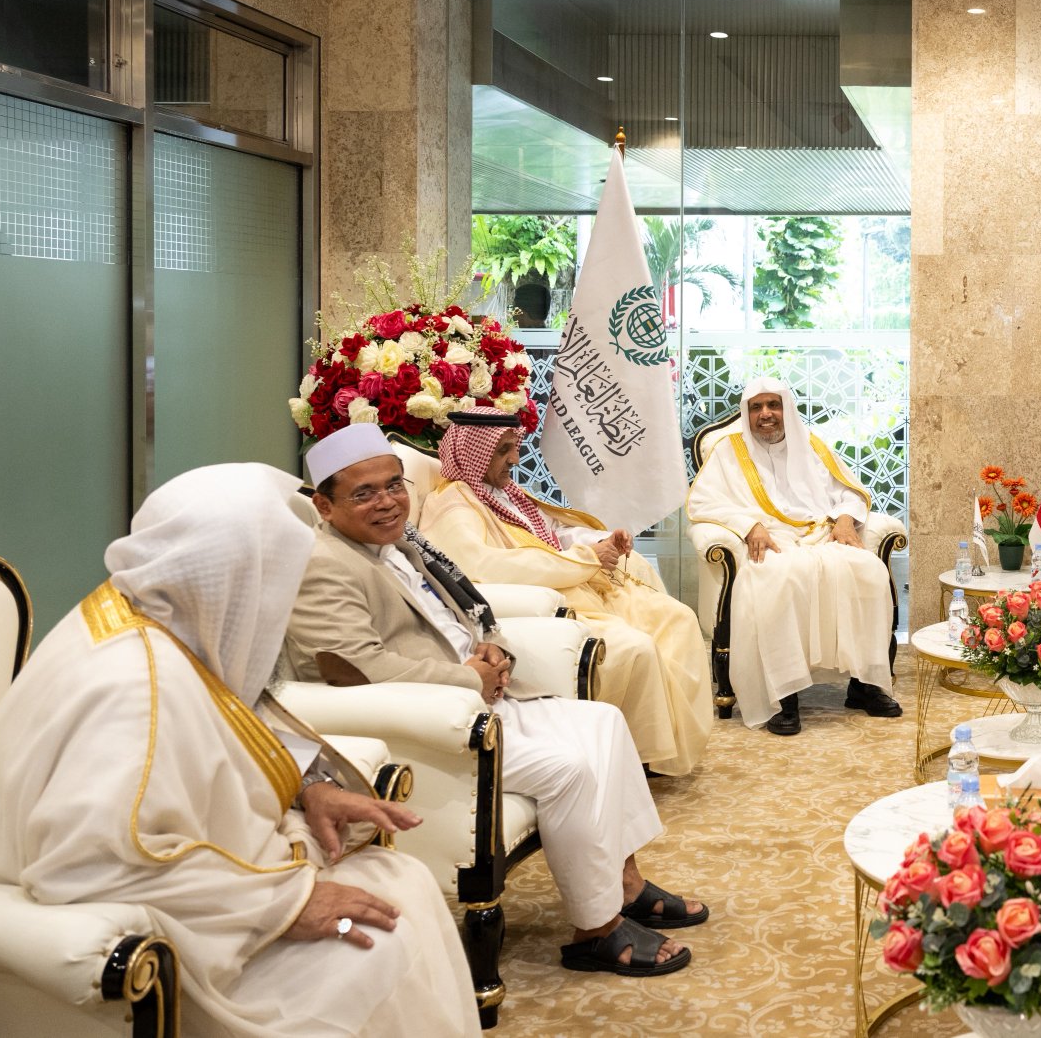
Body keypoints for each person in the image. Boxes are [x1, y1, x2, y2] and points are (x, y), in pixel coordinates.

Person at [0, 463, 481, 1038]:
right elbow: (87, 865)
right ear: (233, 576)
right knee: (383, 937)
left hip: (204, 885)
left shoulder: (150, 612)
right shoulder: (131, 688)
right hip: (166, 933)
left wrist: (309, 786)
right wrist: (286, 906)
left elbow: (228, 714)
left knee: (400, 880)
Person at [285, 424, 705, 977]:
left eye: (393, 485)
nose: (386, 502)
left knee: (604, 721)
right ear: (324, 504)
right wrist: (468, 679)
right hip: (434, 718)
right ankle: (596, 930)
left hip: (482, 695)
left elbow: (472, 605)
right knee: (568, 768)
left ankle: (625, 885)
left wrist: (495, 650)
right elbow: (358, 668)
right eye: (364, 493)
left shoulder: (400, 539)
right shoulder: (324, 564)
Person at [418, 409, 712, 776]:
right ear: (472, 450)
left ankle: (670, 745)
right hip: (550, 602)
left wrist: (601, 541)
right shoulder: (453, 504)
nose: (515, 458)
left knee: (679, 618)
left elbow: (551, 534)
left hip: (578, 583)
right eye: (503, 450)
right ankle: (638, 752)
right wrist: (586, 559)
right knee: (636, 646)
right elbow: (486, 567)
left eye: (515, 447)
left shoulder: (503, 493)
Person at [684, 378, 902, 736]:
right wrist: (749, 526)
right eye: (756, 407)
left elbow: (849, 492)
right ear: (746, 413)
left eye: (773, 405)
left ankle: (864, 685)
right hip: (769, 541)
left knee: (868, 570)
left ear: (786, 409)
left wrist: (845, 520)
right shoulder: (728, 451)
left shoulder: (811, 446)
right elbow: (704, 503)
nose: (765, 414)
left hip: (819, 534)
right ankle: (783, 695)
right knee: (777, 578)